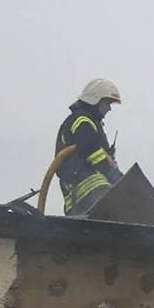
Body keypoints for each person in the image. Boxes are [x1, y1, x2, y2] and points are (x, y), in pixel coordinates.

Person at [55, 79, 122, 216]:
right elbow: (93, 152)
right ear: (95, 99)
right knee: (119, 207)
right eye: (107, 103)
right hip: (85, 190)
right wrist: (117, 178)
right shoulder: (81, 121)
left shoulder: (92, 124)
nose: (109, 108)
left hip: (83, 198)